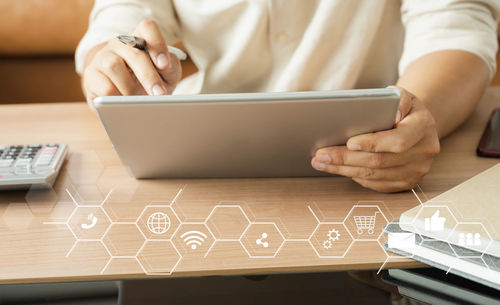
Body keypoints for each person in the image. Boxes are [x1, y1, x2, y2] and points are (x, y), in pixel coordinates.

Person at [76, 0, 499, 193]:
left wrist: (416, 114)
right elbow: (120, 16)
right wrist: (111, 60)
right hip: (199, 169)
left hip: (373, 154)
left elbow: (455, 21)